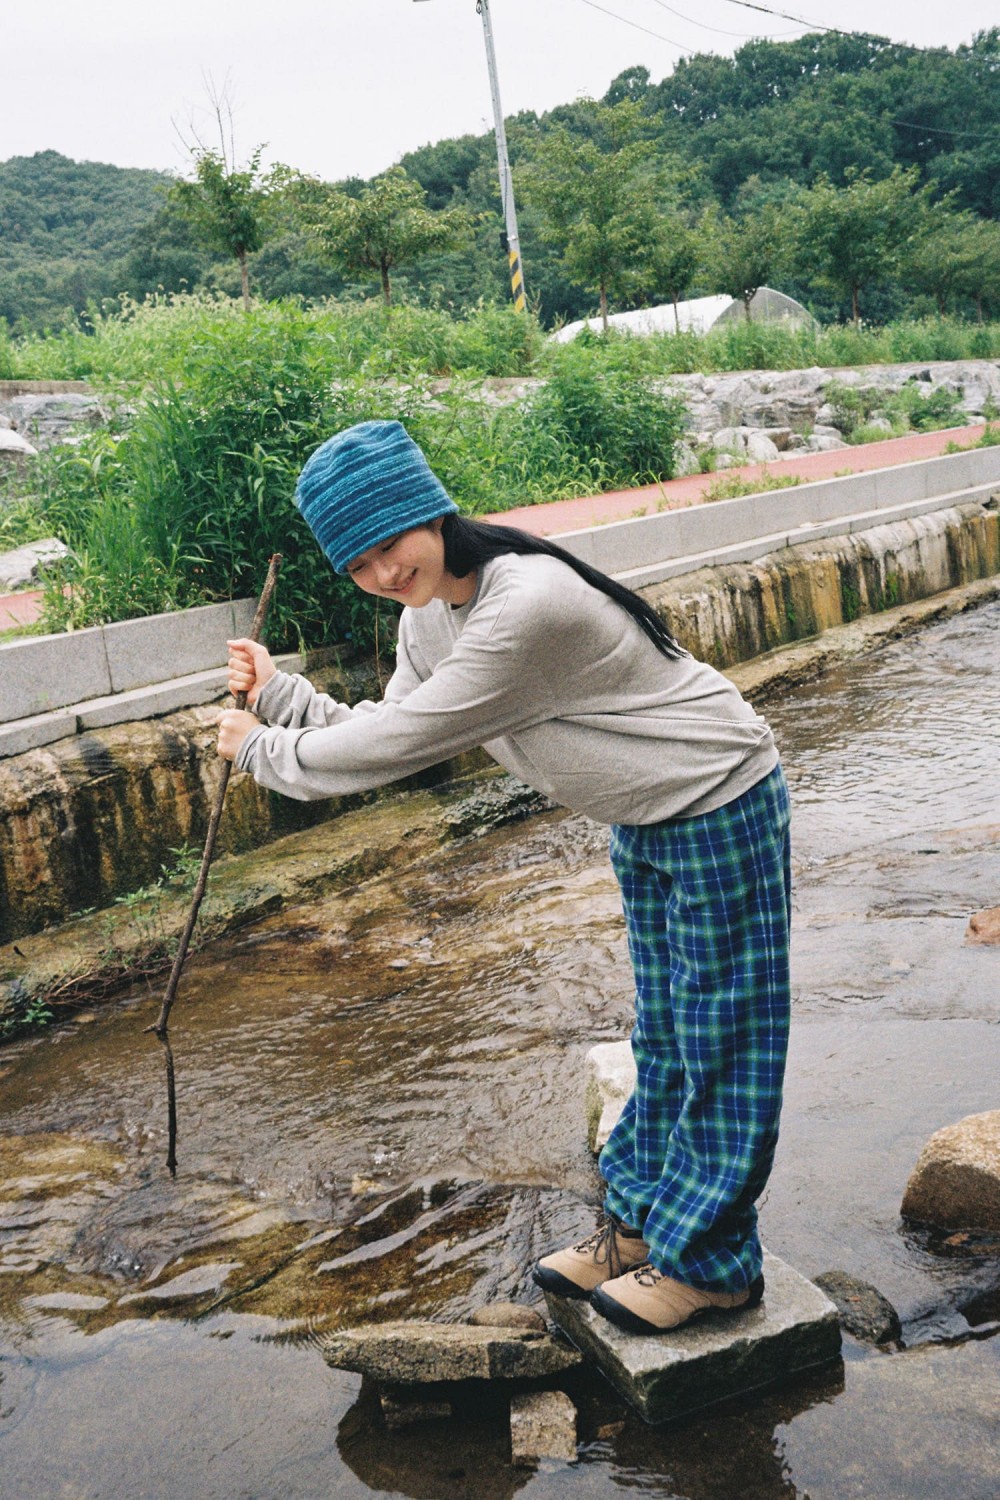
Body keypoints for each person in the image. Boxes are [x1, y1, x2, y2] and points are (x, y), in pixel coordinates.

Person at [217, 418, 791, 1336]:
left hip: (718, 800)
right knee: (669, 1036)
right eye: (356, 566)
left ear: (428, 513)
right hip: (645, 818)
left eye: (389, 545)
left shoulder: (524, 603)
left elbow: (404, 743)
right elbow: (397, 720)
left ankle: (716, 1267)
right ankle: (644, 1227)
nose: (381, 573)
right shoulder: (427, 617)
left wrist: (265, 754)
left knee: (724, 1039)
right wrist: (283, 696)